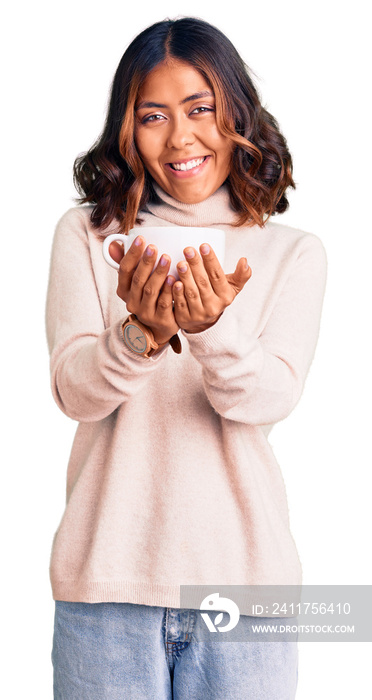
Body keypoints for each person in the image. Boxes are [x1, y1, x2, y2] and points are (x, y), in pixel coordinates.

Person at [46, 16, 327, 699]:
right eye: (153, 116)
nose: (180, 137)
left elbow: (268, 399)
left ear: (236, 113)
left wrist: (212, 330)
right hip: (105, 588)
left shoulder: (294, 252)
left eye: (200, 109)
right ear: (126, 130)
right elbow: (74, 393)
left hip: (245, 592)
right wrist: (138, 333)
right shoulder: (89, 237)